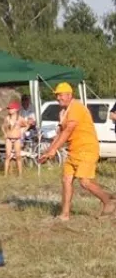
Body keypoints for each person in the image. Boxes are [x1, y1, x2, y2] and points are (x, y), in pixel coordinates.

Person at [39, 83, 114, 220]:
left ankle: (108, 201)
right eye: (56, 95)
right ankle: (65, 214)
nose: (58, 98)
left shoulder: (77, 108)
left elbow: (69, 130)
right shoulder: (64, 112)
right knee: (66, 180)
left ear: (69, 95)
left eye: (60, 95)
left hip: (87, 149)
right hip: (74, 150)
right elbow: (61, 132)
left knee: (84, 182)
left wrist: (54, 150)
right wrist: (49, 152)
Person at [2, 101, 26, 177]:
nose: (9, 110)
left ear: (16, 109)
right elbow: (3, 126)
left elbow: (26, 125)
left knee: (18, 156)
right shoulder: (7, 118)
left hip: (17, 139)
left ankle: (20, 174)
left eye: (11, 108)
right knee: (8, 156)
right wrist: (5, 133)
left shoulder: (20, 118)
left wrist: (22, 131)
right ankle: (5, 174)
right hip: (9, 139)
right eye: (9, 109)